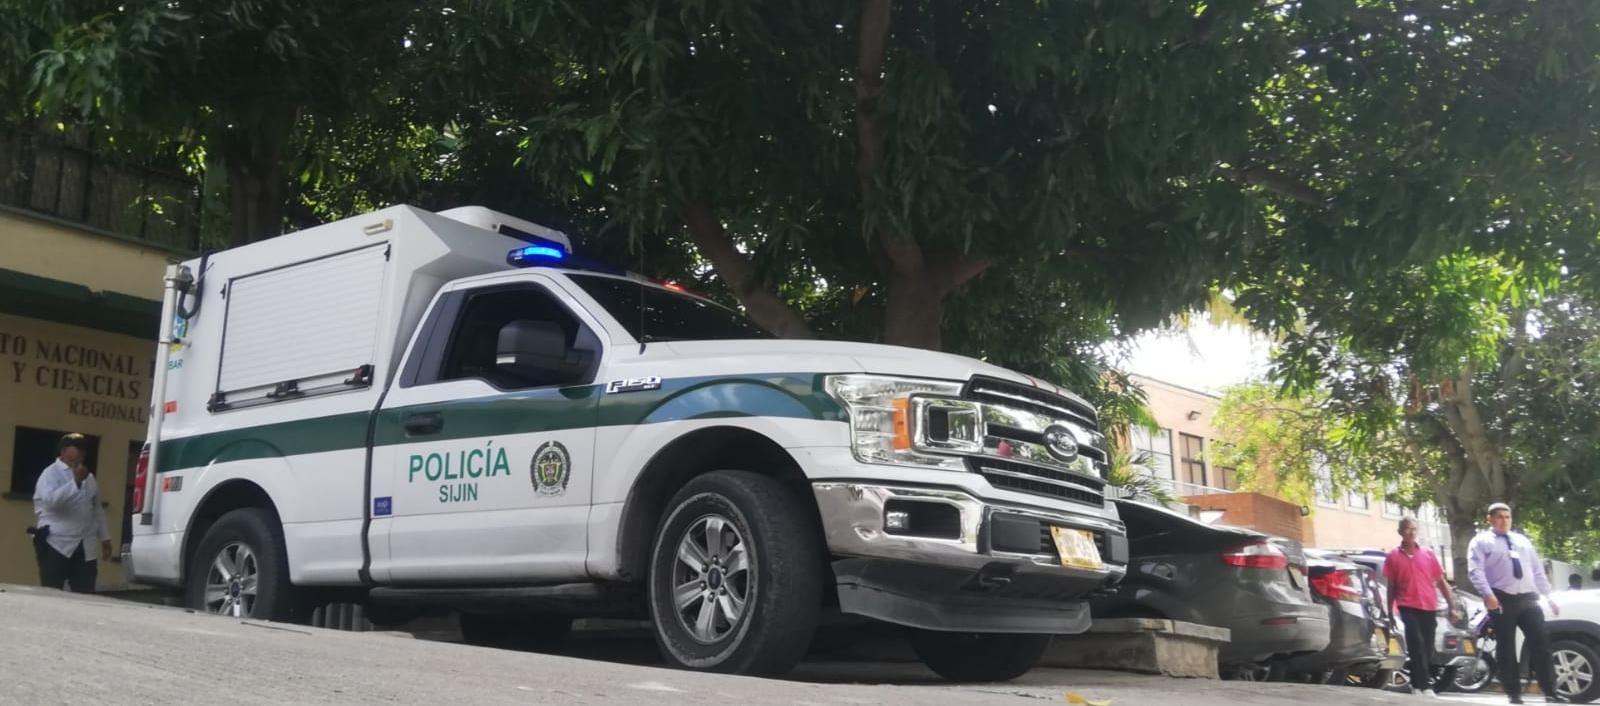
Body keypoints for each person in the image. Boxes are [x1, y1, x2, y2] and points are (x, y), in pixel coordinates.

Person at [1468, 502, 1566, 704]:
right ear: (1490, 519)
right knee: (1506, 646)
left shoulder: (1522, 541)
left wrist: (1549, 596)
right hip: (1501, 598)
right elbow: (1475, 571)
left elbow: (1537, 570)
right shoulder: (1481, 541)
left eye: (1507, 517)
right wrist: (1488, 595)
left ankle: (1550, 691)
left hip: (1528, 598)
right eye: (1500, 517)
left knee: (1541, 643)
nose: (1505, 521)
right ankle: (1514, 693)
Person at [31, 433, 111, 593]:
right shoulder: (50, 474)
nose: (78, 459)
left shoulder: (89, 478)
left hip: (84, 545)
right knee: (52, 591)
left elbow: (96, 509)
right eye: (74, 455)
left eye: (81, 454)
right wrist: (75, 483)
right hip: (56, 543)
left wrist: (105, 538)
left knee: (85, 593)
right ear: (63, 452)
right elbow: (51, 502)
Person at [1384, 517, 1454, 697]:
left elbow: (1440, 581)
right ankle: (1425, 685)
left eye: (1414, 529)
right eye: (1407, 529)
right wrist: (1390, 610)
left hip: (1429, 606)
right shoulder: (1392, 556)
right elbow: (1391, 585)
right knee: (1416, 642)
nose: (1411, 532)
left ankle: (1417, 682)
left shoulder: (1428, 553)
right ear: (1400, 532)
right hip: (1407, 605)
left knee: (1427, 647)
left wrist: (1451, 605)